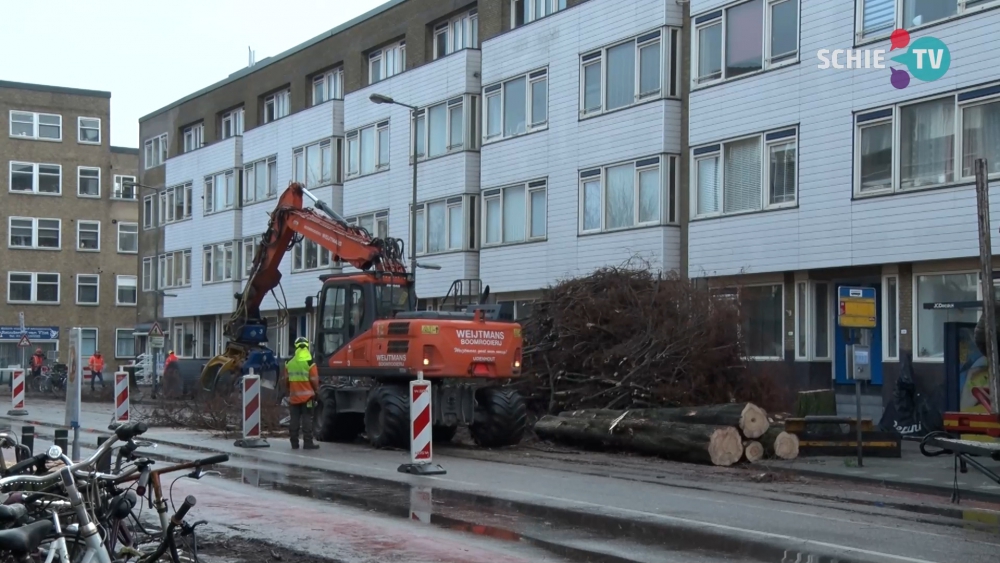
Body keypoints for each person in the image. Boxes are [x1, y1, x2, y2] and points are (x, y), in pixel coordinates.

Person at [282, 337, 320, 450]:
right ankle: (308, 443)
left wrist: (290, 390)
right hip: (307, 398)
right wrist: (316, 391)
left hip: (294, 397)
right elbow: (314, 380)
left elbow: (286, 380)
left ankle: (294, 443)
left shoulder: (289, 363)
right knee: (307, 419)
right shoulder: (310, 362)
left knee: (294, 420)